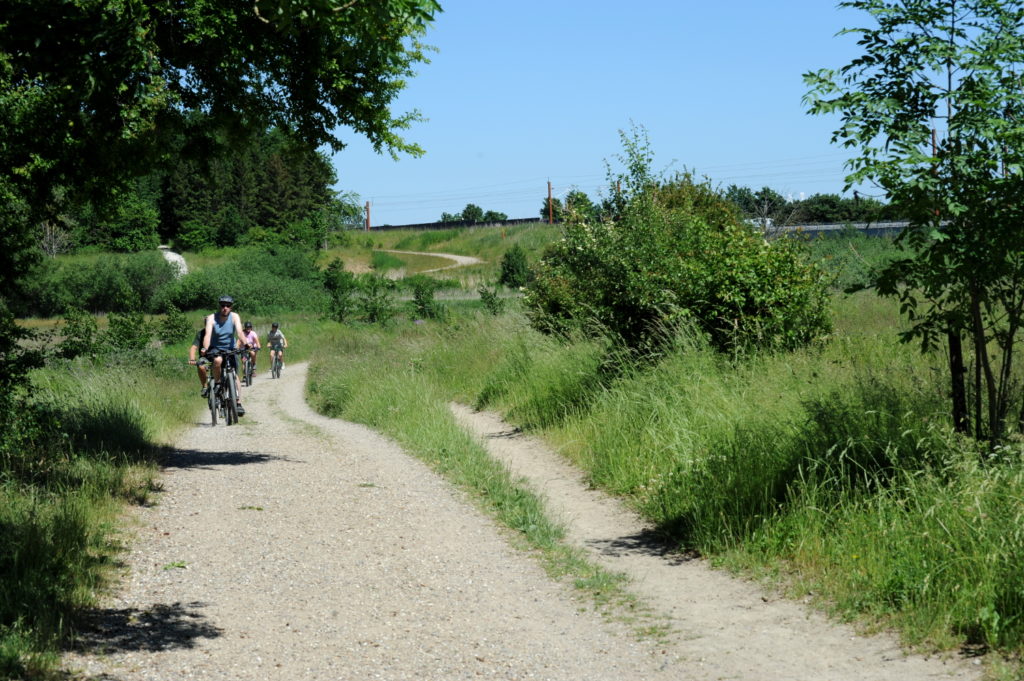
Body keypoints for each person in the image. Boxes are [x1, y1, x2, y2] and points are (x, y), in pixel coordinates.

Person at [201, 295, 249, 416]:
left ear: (231, 307)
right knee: (217, 361)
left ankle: (238, 403)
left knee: (235, 376)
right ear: (219, 306)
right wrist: (205, 348)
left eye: (228, 306)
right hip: (216, 348)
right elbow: (207, 335)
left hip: (230, 348)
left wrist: (246, 343)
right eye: (222, 305)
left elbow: (239, 332)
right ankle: (217, 384)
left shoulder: (234, 316)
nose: (225, 308)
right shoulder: (212, 318)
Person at [187, 319, 210, 397]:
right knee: (201, 366)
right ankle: (205, 386)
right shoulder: (201, 333)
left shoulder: (218, 332)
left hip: (218, 356)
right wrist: (192, 359)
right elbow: (194, 347)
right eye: (207, 323)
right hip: (206, 359)